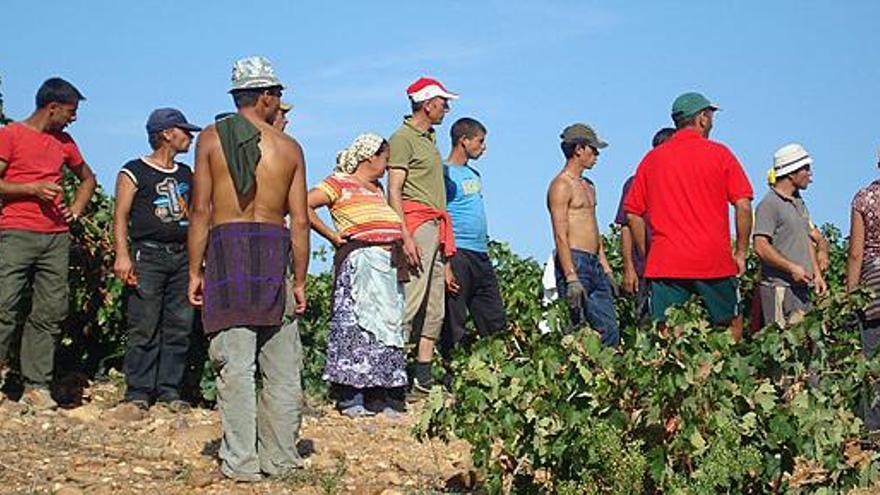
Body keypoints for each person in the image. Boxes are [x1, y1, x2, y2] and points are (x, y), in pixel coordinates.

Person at [188, 56, 309, 481]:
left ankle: (241, 462)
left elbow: (200, 211)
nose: (280, 103)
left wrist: (194, 271)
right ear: (264, 97)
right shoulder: (289, 149)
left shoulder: (210, 139)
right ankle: (280, 458)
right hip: (274, 249)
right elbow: (299, 221)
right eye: (277, 95)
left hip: (228, 248)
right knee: (281, 366)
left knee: (235, 365)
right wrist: (299, 279)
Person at [0, 78, 97, 409]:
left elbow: (88, 178)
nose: (74, 118)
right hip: (16, 230)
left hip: (55, 236)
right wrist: (32, 189)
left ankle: (36, 384)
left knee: (51, 310)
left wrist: (76, 209)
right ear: (51, 108)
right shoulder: (11, 135)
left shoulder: (65, 143)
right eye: (71, 111)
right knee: (5, 305)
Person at [624, 92, 753, 340]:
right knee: (731, 323)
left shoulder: (652, 159)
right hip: (712, 257)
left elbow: (633, 215)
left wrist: (648, 253)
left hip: (667, 260)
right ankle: (720, 374)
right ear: (702, 119)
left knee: (668, 330)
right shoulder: (720, 154)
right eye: (711, 116)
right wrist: (741, 252)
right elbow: (743, 205)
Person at [307, 133, 408, 416]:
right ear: (369, 157)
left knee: (385, 329)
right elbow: (304, 203)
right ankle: (352, 397)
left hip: (386, 265)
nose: (387, 166)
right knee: (357, 327)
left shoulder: (377, 189)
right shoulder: (338, 182)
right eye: (384, 159)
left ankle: (379, 396)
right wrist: (331, 235)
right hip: (360, 262)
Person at [112, 108, 202, 411]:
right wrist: (122, 255)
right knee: (144, 324)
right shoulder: (134, 170)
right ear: (166, 133)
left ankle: (168, 391)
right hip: (147, 254)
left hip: (181, 256)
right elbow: (120, 215)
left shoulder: (186, 174)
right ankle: (138, 391)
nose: (189, 137)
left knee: (180, 325)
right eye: (183, 131)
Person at [387, 77, 458, 392]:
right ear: (428, 104)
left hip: (436, 227)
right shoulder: (402, 138)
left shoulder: (429, 139)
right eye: (443, 102)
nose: (447, 108)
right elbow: (394, 189)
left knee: (434, 306)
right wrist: (405, 235)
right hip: (418, 224)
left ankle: (422, 381)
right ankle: (390, 377)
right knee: (410, 301)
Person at [547, 123, 619, 346]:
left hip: (594, 263)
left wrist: (605, 267)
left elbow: (593, 228)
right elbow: (560, 234)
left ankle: (606, 376)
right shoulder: (561, 185)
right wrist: (570, 277)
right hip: (575, 261)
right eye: (593, 149)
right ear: (579, 149)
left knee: (610, 329)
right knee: (577, 331)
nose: (596, 155)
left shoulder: (589, 185)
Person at [440, 117, 507, 358]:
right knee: (454, 320)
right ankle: (450, 377)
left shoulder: (474, 174)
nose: (483, 146)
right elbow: (440, 216)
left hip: (480, 253)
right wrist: (445, 262)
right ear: (464, 141)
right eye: (480, 141)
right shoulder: (443, 172)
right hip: (458, 252)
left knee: (494, 318)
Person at [753, 144, 827, 327]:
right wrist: (791, 268)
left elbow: (806, 240)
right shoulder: (769, 205)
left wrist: (817, 274)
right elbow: (761, 246)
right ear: (791, 172)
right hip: (779, 288)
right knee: (782, 345)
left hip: (800, 289)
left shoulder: (799, 203)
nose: (810, 175)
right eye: (806, 169)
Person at [614, 127, 675, 322]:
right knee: (648, 322)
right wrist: (629, 268)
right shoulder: (636, 183)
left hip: (676, 266)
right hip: (645, 270)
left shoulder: (678, 183)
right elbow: (626, 226)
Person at [847, 148, 880, 429]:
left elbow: (856, 253)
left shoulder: (863, 198)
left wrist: (850, 295)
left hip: (873, 287)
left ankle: (872, 431)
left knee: (871, 362)